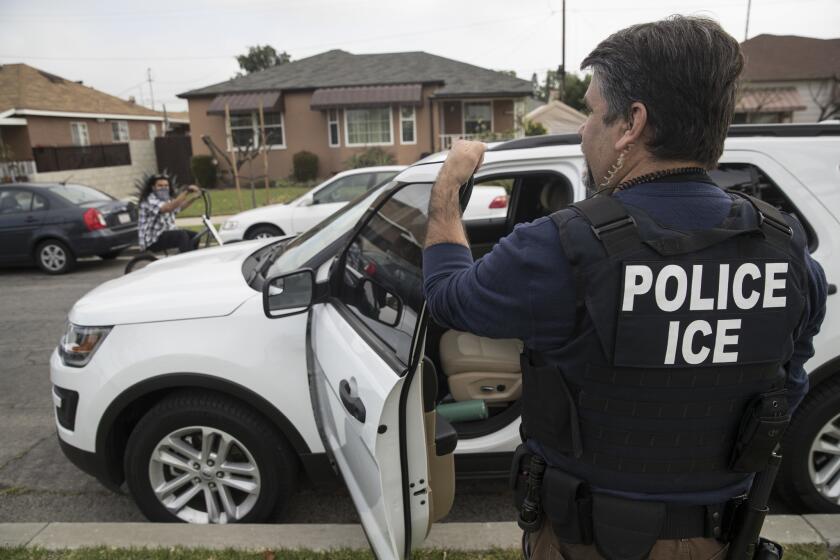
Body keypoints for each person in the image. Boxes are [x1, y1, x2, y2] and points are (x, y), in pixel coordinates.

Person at [422, 16, 827, 560]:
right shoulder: (785, 245)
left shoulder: (561, 246)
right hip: (719, 540)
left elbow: (448, 293)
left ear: (632, 123)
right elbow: (788, 381)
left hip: (586, 540)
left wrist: (447, 187)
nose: (585, 128)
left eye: (592, 110)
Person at [137, 174, 202, 253]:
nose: (164, 188)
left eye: (166, 186)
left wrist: (194, 198)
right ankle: (186, 262)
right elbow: (168, 208)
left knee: (195, 236)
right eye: (160, 186)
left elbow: (178, 207)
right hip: (152, 239)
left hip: (164, 233)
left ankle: (190, 258)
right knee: (181, 235)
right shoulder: (148, 200)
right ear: (153, 187)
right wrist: (187, 191)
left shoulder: (166, 199)